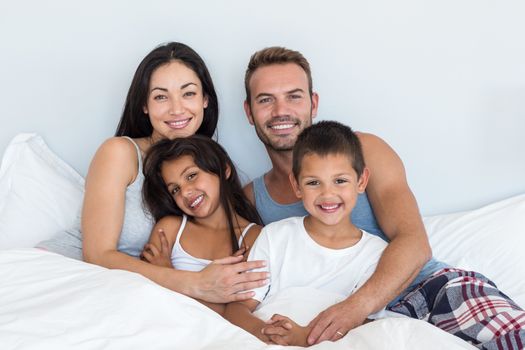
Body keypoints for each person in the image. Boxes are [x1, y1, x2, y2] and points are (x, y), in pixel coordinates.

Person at [242, 46, 525, 349]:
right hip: (355, 323)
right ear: (249, 112)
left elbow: (414, 243)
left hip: (425, 288)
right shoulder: (251, 199)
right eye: (265, 100)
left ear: (313, 102)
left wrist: (354, 309)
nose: (281, 110)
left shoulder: (366, 151)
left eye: (294, 96)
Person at [36, 42, 267, 304]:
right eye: (160, 96)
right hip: (66, 272)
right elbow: (98, 255)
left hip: (123, 292)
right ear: (144, 105)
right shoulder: (120, 153)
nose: (177, 109)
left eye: (188, 93)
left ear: (205, 100)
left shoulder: (208, 172)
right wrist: (195, 283)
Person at [225, 121, 388, 346]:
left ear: (361, 181)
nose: (328, 194)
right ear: (296, 185)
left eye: (340, 181)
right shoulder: (275, 237)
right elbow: (237, 309)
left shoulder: (376, 253)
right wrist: (263, 331)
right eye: (313, 183)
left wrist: (303, 338)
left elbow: (366, 326)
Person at [140, 135, 263, 314]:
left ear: (224, 170)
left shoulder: (254, 237)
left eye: (191, 176)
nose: (185, 192)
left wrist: (168, 274)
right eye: (175, 189)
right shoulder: (169, 229)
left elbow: (231, 314)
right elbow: (144, 292)